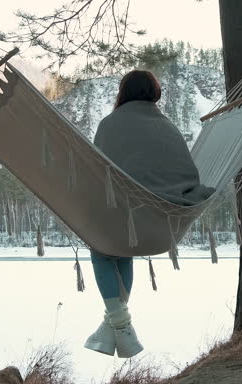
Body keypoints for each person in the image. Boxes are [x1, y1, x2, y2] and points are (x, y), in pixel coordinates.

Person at [84, 69, 213, 358]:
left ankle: (120, 325)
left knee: (102, 248)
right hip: (166, 220)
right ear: (154, 92)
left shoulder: (109, 125)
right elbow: (187, 172)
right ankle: (116, 331)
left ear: (123, 92)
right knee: (123, 251)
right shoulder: (169, 127)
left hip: (128, 219)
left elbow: (95, 173)